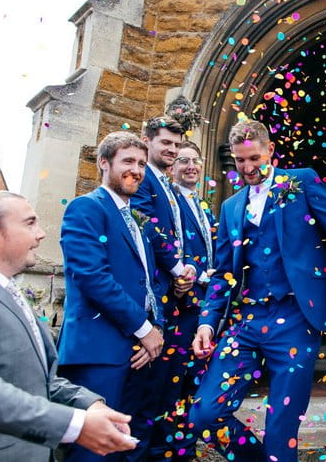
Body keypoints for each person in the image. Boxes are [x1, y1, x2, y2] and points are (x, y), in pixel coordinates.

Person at [183, 119, 326, 462]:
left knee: (282, 431)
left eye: (254, 158)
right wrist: (207, 323)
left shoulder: (302, 182)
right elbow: (224, 273)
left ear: (270, 150)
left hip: (297, 317)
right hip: (247, 320)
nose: (248, 168)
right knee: (204, 416)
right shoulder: (231, 207)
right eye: (240, 161)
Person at [0, 191, 137, 461]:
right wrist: (72, 425)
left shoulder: (3, 287)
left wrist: (88, 405)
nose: (40, 234)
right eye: (29, 223)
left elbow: (35, 380)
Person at [58, 132, 173, 462]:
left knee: (124, 448)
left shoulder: (135, 219)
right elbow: (92, 277)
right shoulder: (86, 208)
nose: (136, 170)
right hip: (99, 353)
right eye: (127, 162)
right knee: (93, 452)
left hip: (137, 352)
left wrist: (156, 331)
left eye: (140, 164)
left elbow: (149, 284)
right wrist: (145, 329)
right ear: (104, 163)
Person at [130, 117, 197, 459]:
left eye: (176, 143)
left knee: (162, 391)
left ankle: (160, 450)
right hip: (152, 296)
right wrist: (176, 268)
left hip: (174, 298)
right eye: (165, 143)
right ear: (147, 142)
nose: (171, 149)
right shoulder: (144, 182)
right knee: (146, 396)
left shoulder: (169, 188)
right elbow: (148, 226)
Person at [155, 140, 218, 459]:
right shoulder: (170, 202)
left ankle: (185, 446)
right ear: (172, 167)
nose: (191, 166)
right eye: (183, 161)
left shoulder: (204, 206)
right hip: (181, 306)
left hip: (205, 308)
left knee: (195, 380)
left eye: (195, 160)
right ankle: (165, 449)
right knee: (172, 382)